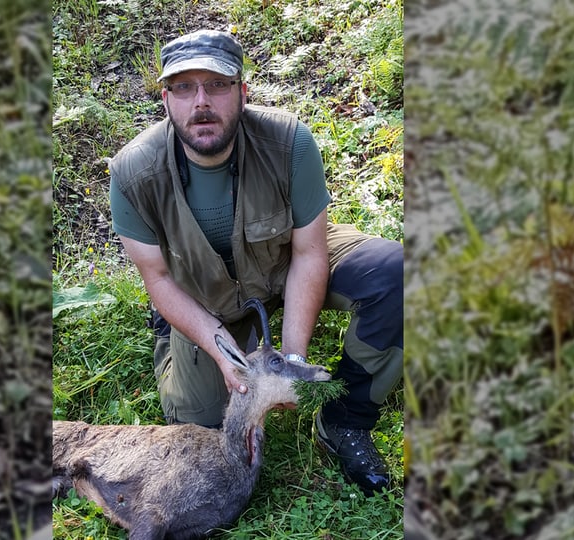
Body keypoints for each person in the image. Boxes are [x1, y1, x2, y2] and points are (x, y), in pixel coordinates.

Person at [107, 29, 403, 495]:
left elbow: (309, 251)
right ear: (166, 98)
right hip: (205, 295)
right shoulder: (132, 174)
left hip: (283, 261)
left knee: (396, 275)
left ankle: (345, 421)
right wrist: (221, 351)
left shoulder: (289, 142)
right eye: (184, 87)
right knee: (202, 421)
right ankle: (174, 339)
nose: (200, 102)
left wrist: (292, 360)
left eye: (217, 85)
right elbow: (159, 279)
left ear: (243, 92)